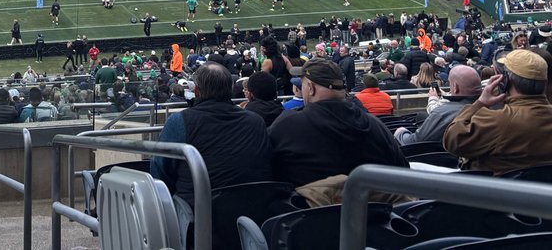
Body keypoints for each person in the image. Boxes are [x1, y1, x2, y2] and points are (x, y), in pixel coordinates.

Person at [268, 57, 407, 189]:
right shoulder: (374, 124)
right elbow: (403, 173)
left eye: (303, 84)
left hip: (308, 211)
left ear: (311, 88)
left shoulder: (287, 125)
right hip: (371, 210)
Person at [153, 63, 271, 209]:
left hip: (196, 216)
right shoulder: (255, 121)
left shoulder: (179, 122)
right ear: (230, 89)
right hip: (251, 212)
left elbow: (160, 172)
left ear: (196, 92)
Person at [443, 49, 552, 175]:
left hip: (494, 192)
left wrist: (480, 103)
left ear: (505, 81)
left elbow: (452, 140)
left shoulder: (499, 120)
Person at [395, 65, 481, 146]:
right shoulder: (491, 107)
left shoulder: (442, 113)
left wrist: (401, 133)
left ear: (455, 87)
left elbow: (415, 142)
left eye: (450, 83)